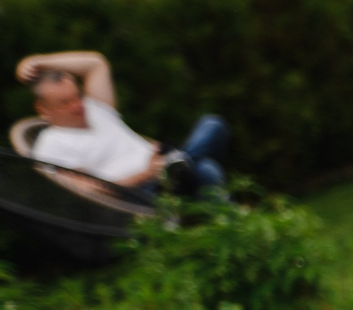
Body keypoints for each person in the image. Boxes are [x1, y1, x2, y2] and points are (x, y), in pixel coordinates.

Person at [15, 50, 229, 200]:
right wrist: (146, 174)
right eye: (65, 103)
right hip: (140, 192)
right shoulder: (51, 145)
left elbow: (95, 63)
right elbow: (87, 191)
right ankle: (178, 165)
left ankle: (177, 165)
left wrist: (38, 62)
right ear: (43, 109)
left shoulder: (95, 108)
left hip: (161, 167)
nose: (77, 106)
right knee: (206, 171)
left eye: (77, 96)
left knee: (213, 124)